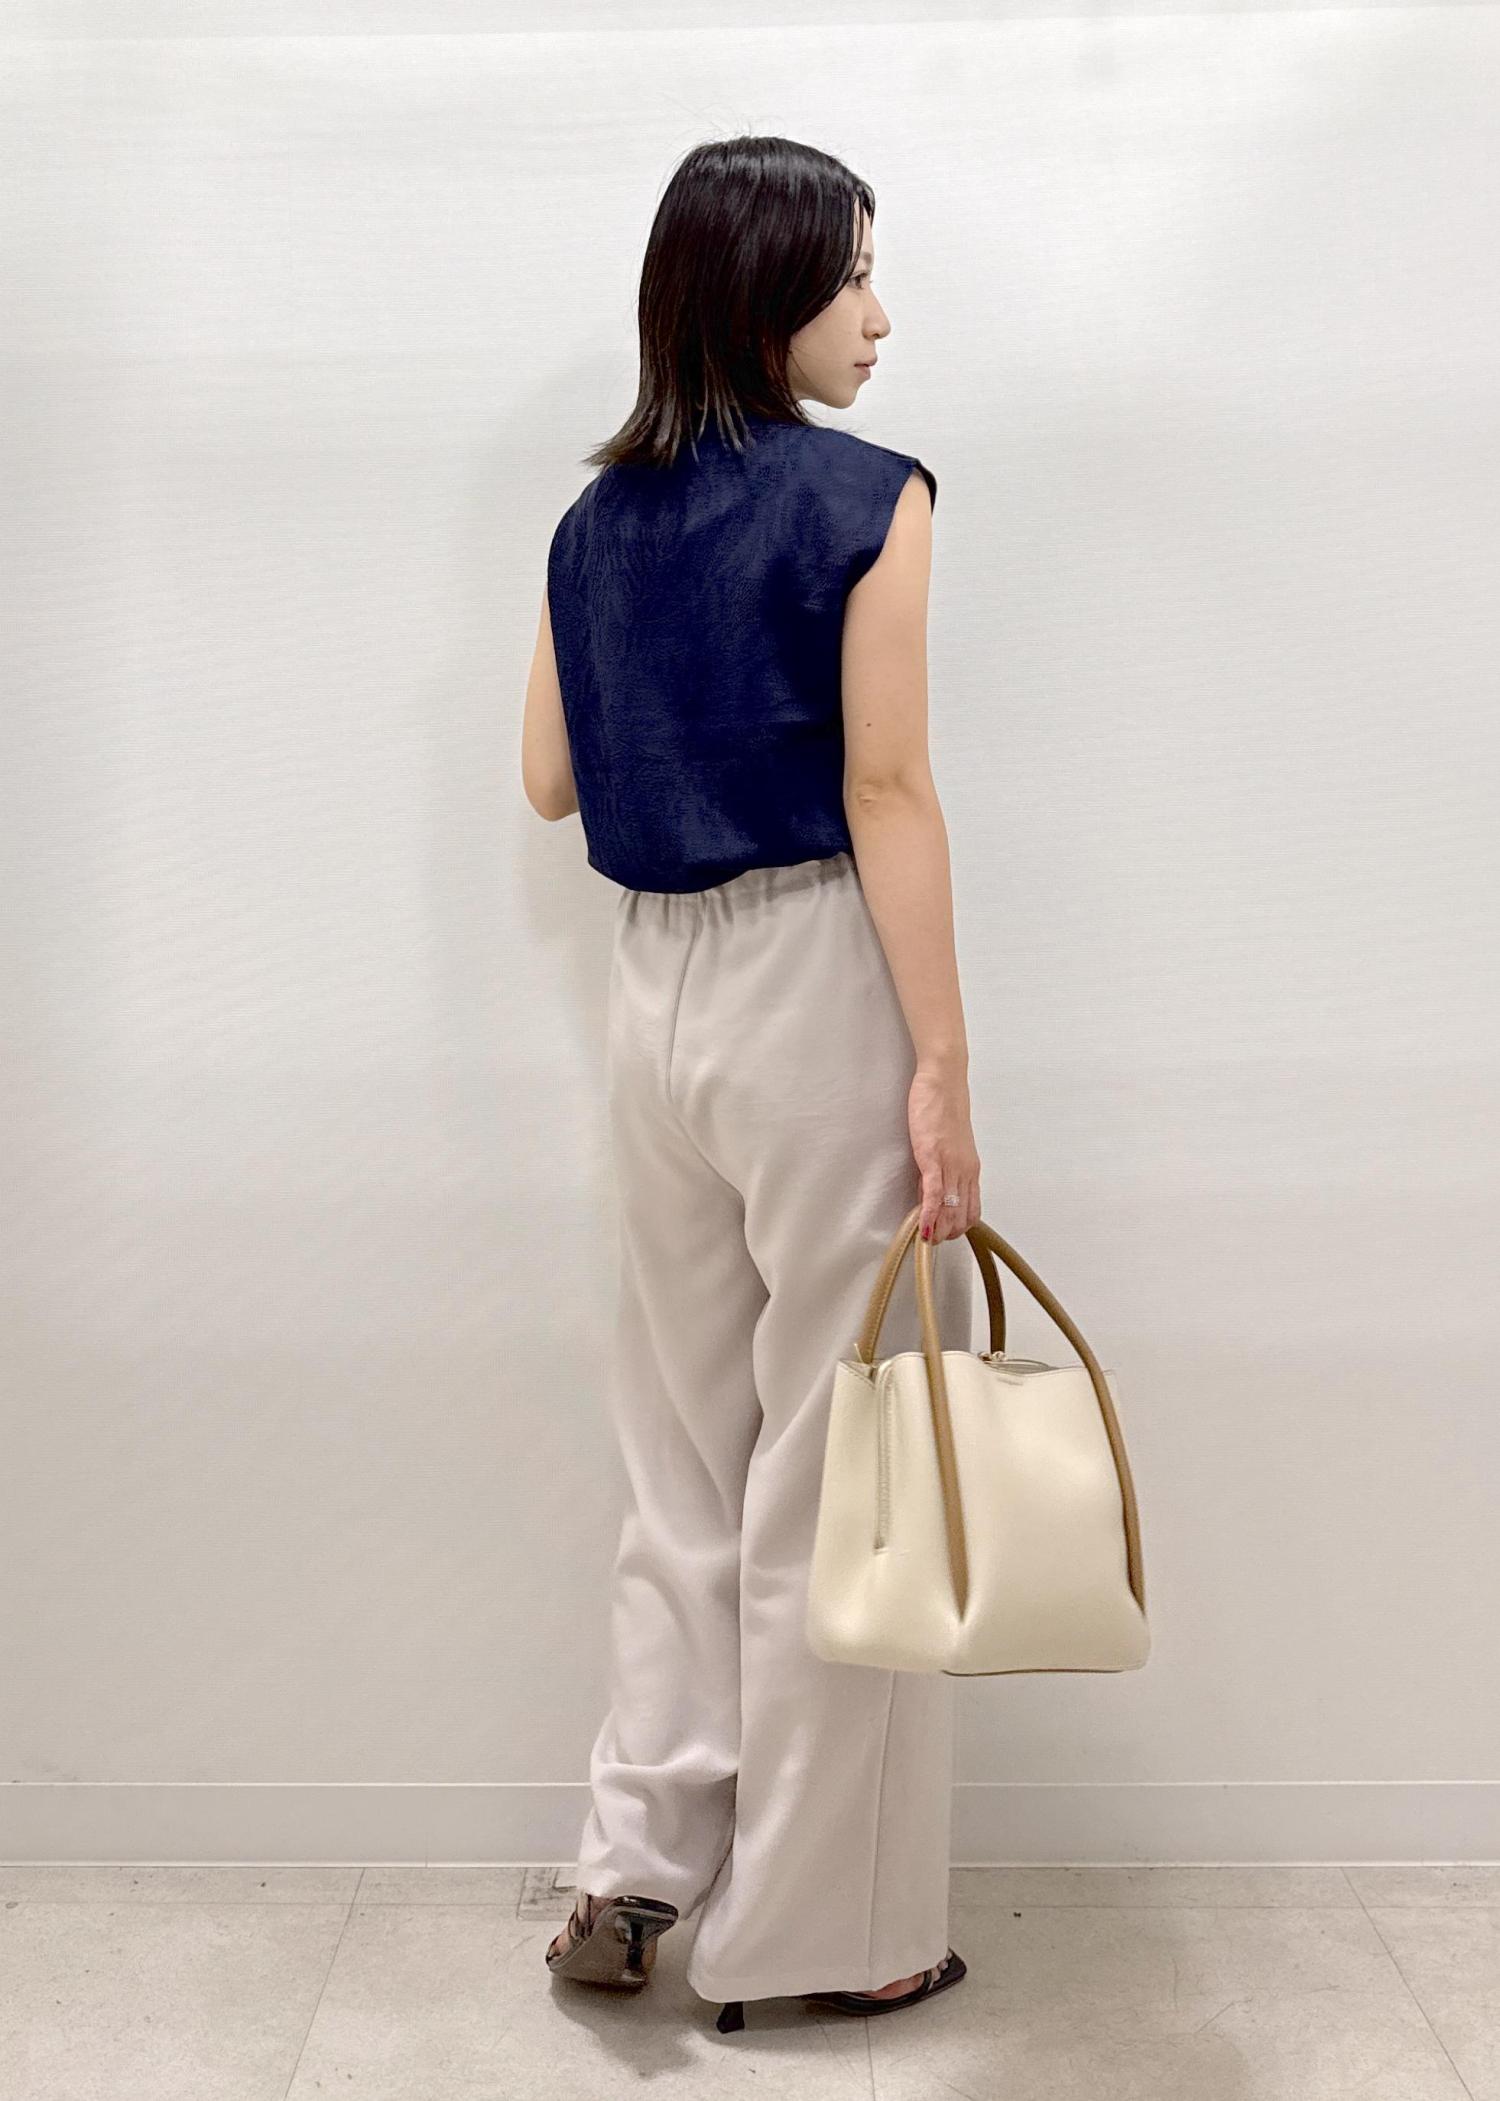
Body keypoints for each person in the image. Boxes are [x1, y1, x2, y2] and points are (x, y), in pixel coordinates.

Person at [521, 134, 981, 2035]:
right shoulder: (872, 496)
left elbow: (550, 781)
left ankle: (636, 1857)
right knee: (836, 1464)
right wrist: (941, 1062)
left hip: (655, 1002)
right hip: (808, 980)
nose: (879, 313)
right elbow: (887, 788)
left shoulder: (592, 522)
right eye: (854, 271)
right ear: (769, 282)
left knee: (681, 1450)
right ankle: (818, 1931)